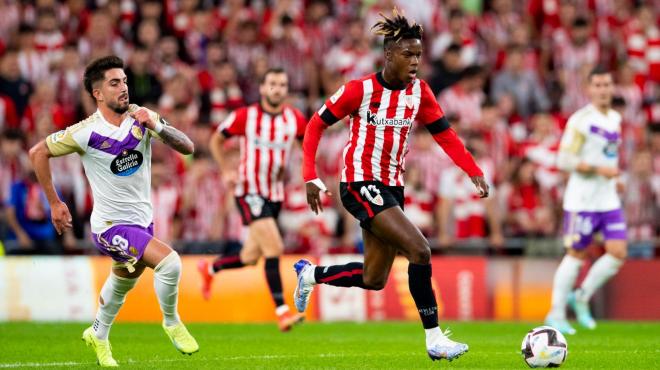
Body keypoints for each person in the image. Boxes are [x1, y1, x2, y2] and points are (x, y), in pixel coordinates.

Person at [296, 10, 489, 362]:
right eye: (408, 54)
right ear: (388, 54)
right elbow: (314, 125)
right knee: (420, 250)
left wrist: (472, 169)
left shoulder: (420, 92)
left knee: (374, 278)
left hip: (391, 187)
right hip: (358, 182)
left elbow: (444, 134)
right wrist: (310, 174)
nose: (415, 61)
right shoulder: (360, 89)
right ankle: (434, 338)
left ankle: (311, 274)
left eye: (418, 55)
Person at [28, 56, 199, 366]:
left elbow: (188, 147)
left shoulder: (141, 117)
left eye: (124, 81)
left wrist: (157, 124)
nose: (124, 88)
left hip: (142, 224)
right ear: (97, 93)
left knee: (123, 281)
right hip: (109, 226)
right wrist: (54, 202)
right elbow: (37, 152)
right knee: (170, 264)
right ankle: (172, 322)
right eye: (115, 83)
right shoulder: (85, 132)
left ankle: (98, 334)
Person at [198, 67, 306, 332]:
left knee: (250, 256)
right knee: (275, 247)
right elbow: (216, 140)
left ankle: (210, 269)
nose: (277, 89)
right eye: (272, 84)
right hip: (249, 190)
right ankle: (282, 313)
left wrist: (299, 171)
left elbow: (307, 146)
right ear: (262, 88)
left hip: (275, 194)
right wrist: (226, 169)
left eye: (282, 84)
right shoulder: (246, 116)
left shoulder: (295, 119)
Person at [545, 66, 627, 335]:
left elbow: (608, 155)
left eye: (607, 85)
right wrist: (600, 170)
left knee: (618, 253)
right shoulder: (581, 120)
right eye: (598, 85)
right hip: (581, 199)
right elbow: (564, 159)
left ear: (612, 88)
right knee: (576, 255)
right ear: (589, 89)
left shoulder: (615, 118)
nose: (603, 90)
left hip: (608, 198)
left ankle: (581, 296)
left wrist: (613, 178)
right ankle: (555, 313)